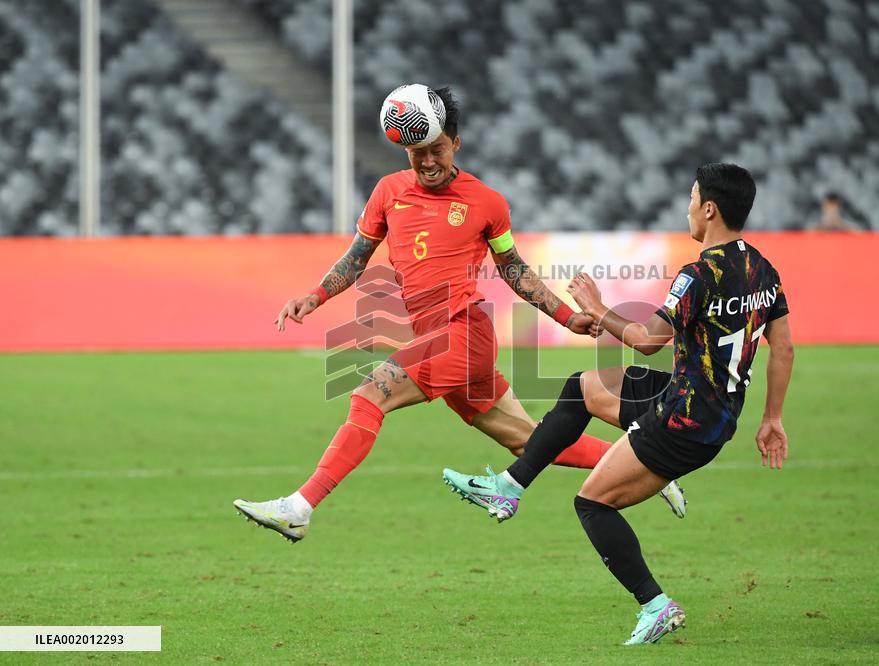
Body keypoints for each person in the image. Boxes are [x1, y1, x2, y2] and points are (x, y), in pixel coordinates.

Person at [233, 86, 685, 542]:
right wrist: (315, 295)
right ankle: (651, 468)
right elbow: (357, 257)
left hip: (463, 333)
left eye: (436, 150)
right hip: (440, 338)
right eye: (416, 153)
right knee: (529, 439)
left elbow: (514, 270)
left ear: (456, 143)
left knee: (369, 396)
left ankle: (300, 506)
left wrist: (567, 317)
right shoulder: (388, 192)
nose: (427, 162)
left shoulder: (486, 202)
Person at [442, 163, 794, 645]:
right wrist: (772, 417)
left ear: (709, 209)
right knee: (581, 388)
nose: (687, 207)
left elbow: (648, 340)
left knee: (591, 503)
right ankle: (508, 485)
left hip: (682, 421)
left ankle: (655, 604)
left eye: (692, 198)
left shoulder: (698, 275)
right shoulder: (763, 269)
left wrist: (597, 307)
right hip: (706, 406)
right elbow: (784, 348)